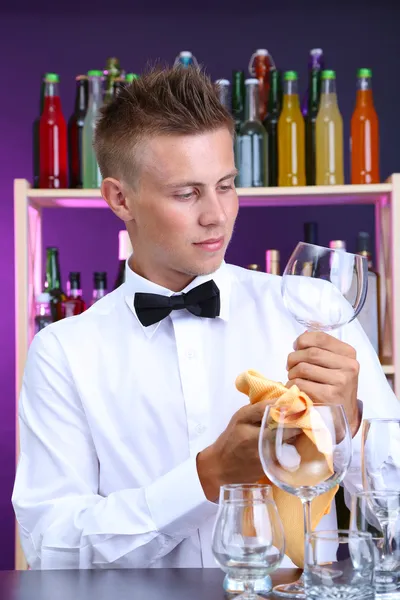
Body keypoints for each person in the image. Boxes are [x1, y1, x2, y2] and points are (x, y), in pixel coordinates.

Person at [12, 66, 400, 570]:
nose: (217, 214)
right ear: (119, 199)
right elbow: (52, 548)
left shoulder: (316, 310)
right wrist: (206, 477)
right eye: (186, 193)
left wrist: (350, 427)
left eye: (226, 184)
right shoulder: (63, 351)